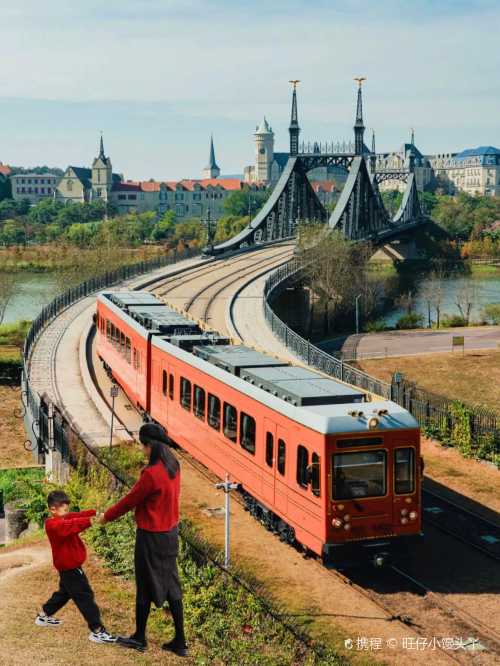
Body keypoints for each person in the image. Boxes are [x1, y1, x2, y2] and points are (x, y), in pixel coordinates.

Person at [99, 423, 188, 656]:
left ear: (150, 446)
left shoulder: (151, 474)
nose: (142, 450)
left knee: (144, 587)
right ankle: (180, 641)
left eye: (143, 446)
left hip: (150, 537)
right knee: (172, 586)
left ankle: (140, 637)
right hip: (170, 534)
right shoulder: (174, 466)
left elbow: (130, 501)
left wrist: (106, 517)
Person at [35, 490, 116, 645]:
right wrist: (91, 521)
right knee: (85, 596)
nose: (67, 513)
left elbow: (74, 517)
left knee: (64, 593)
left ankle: (43, 616)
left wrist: (94, 513)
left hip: (67, 566)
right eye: (64, 510)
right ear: (53, 509)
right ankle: (97, 631)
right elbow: (71, 524)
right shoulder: (54, 525)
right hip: (70, 567)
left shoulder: (62, 518)